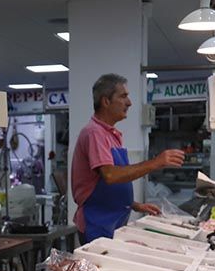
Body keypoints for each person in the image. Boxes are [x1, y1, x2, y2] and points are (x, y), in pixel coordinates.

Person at [71, 73, 184, 242]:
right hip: (97, 223)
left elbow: (108, 185)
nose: (129, 103)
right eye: (123, 96)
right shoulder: (94, 133)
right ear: (106, 101)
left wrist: (135, 205)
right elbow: (110, 175)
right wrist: (155, 162)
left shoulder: (111, 134)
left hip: (113, 221)